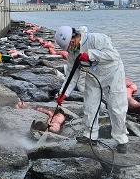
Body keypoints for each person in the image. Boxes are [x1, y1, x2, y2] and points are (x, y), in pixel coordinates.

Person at [54, 26, 129, 154]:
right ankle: (90, 136)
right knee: (90, 106)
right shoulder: (72, 54)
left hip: (113, 73)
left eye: (72, 44)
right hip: (94, 77)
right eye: (69, 47)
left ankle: (121, 139)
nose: (71, 48)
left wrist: (90, 55)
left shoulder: (96, 39)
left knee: (116, 108)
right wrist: (63, 93)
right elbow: (72, 75)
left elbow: (113, 55)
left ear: (74, 35)